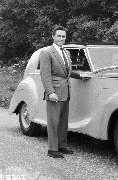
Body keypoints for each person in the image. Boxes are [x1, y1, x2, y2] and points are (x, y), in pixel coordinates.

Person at [40, 25, 74, 158]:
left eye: (63, 36)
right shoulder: (47, 52)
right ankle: (52, 149)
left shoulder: (66, 52)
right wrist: (50, 92)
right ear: (53, 36)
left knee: (63, 121)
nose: (61, 38)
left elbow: (66, 72)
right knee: (53, 121)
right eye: (59, 36)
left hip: (66, 91)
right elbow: (45, 74)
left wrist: (80, 76)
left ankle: (62, 145)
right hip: (54, 92)